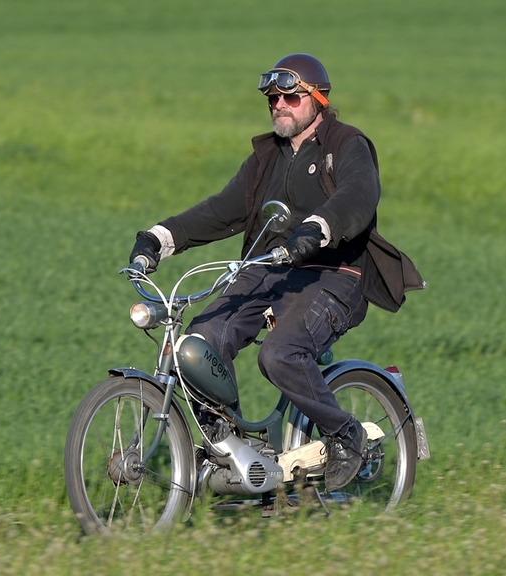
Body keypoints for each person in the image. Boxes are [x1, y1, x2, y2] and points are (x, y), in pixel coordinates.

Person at [129, 53, 387, 491]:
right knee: (195, 346)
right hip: (267, 268)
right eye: (272, 98)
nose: (279, 105)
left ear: (318, 100)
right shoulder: (267, 158)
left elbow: (359, 195)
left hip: (334, 274)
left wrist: (317, 230)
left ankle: (346, 435)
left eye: (290, 96)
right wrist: (158, 238)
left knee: (279, 354)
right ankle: (225, 445)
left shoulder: (346, 144)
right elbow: (220, 210)